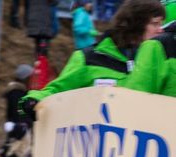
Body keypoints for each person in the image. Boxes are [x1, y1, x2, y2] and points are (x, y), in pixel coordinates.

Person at [20, 0, 166, 119]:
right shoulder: (89, 58)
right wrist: (34, 100)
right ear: (136, 24)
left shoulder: (160, 62)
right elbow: (57, 90)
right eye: (155, 23)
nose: (161, 30)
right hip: (97, 147)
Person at [126, 0, 176, 96]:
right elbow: (136, 95)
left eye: (160, 25)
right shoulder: (154, 46)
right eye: (155, 24)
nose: (159, 29)